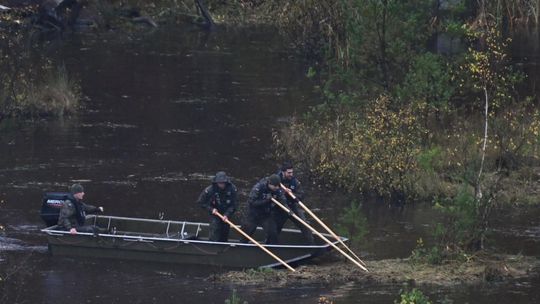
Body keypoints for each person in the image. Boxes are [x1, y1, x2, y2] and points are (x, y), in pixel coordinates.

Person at [240, 174, 287, 244]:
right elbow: (252, 202)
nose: (277, 187)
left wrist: (288, 210)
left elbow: (283, 200)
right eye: (275, 186)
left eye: (278, 186)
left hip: (266, 215)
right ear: (269, 184)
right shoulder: (258, 187)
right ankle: (241, 248)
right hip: (253, 214)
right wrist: (266, 200)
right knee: (246, 234)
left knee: (273, 233)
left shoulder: (277, 189)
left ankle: (272, 248)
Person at [274, 162, 314, 244]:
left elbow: (301, 195)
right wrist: (283, 192)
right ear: (283, 172)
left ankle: (311, 244)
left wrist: (292, 194)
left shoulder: (294, 181)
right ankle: (271, 245)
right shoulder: (276, 180)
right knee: (275, 228)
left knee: (304, 224)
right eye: (289, 173)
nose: (291, 174)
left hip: (292, 206)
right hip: (280, 207)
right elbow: (272, 193)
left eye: (292, 172)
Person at [197, 171, 237, 242]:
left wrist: (227, 214)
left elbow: (234, 205)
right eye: (219, 183)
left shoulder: (232, 189)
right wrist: (211, 209)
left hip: (226, 213)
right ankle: (213, 244)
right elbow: (201, 202)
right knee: (215, 227)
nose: (221, 185)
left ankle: (224, 244)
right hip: (214, 213)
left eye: (223, 183)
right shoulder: (210, 190)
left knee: (225, 229)